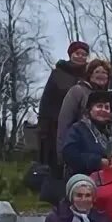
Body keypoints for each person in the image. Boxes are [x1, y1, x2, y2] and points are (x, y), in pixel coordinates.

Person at [56, 59, 112, 161]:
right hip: (83, 146)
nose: (101, 75)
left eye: (104, 72)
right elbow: (64, 122)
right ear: (89, 74)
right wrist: (62, 152)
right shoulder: (78, 91)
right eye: (97, 72)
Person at [37, 41, 88, 174]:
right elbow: (47, 100)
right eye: (78, 53)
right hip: (57, 122)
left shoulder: (88, 74)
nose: (80, 57)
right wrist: (43, 124)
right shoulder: (58, 74)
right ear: (71, 54)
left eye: (84, 54)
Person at [62, 91, 112, 176]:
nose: (103, 110)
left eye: (107, 107)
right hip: (85, 178)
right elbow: (70, 154)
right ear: (90, 109)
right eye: (99, 106)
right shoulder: (78, 129)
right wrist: (97, 162)